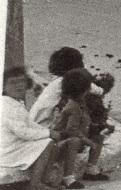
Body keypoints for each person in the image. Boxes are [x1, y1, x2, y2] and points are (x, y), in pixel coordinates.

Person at [29, 47, 110, 182]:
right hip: (48, 130)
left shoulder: (56, 83)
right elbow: (98, 91)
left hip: (40, 126)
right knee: (94, 136)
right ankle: (87, 170)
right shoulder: (69, 81)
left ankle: (88, 169)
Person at [1, 66, 62, 190]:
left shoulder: (16, 103)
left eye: (22, 81)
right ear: (3, 86)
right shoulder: (6, 105)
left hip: (15, 144)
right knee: (47, 144)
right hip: (7, 150)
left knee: (50, 143)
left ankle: (44, 181)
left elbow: (31, 125)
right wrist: (48, 133)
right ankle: (35, 184)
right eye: (13, 82)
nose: (19, 86)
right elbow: (22, 131)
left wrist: (48, 131)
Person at [51, 69, 100, 190]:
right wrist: (87, 141)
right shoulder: (73, 106)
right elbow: (71, 130)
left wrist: (94, 127)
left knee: (99, 136)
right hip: (62, 143)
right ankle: (68, 177)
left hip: (76, 137)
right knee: (74, 141)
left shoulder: (80, 103)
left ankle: (91, 168)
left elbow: (82, 123)